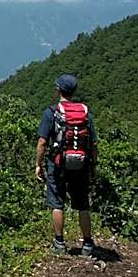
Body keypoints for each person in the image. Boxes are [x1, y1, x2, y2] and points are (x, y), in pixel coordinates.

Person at [35, 73, 98, 256]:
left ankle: (59, 244)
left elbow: (42, 142)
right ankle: (87, 244)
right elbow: (93, 144)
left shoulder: (51, 112)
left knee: (57, 203)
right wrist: (93, 165)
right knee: (82, 204)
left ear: (58, 90)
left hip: (58, 164)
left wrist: (38, 165)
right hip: (81, 164)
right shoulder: (85, 113)